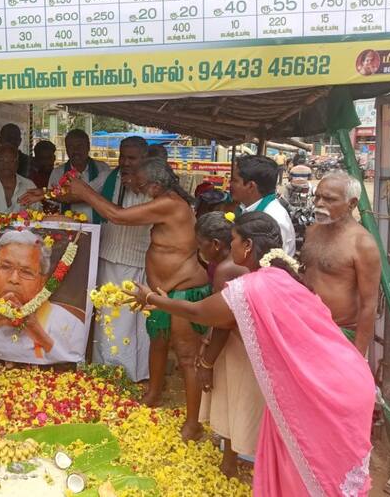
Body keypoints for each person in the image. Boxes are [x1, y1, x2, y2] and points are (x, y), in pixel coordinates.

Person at [129, 212, 375, 496]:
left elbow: (200, 312)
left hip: (328, 391)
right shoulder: (279, 276)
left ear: (246, 246)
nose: (229, 247)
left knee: (313, 477)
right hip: (346, 375)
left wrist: (151, 298)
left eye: (232, 241)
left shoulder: (252, 286)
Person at [66, 158, 209, 440]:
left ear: (155, 185)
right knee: (157, 344)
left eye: (139, 183)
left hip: (181, 290)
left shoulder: (171, 204)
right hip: (162, 292)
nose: (132, 184)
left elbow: (118, 216)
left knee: (187, 357)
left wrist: (84, 192)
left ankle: (193, 423)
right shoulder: (166, 199)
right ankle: (153, 394)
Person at [193, 212, 262, 478]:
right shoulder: (232, 263)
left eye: (201, 245)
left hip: (237, 343)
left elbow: (222, 321)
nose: (198, 250)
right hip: (238, 340)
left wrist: (207, 361)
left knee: (237, 399)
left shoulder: (225, 268)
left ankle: (233, 461)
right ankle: (230, 459)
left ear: (216, 244)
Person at [0, 230, 86, 364]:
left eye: (26, 272)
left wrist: (38, 333)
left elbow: (71, 361)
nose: (14, 279)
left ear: (42, 282)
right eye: (5, 267)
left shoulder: (70, 324)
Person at [301, 172, 380, 355]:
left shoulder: (362, 244)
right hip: (306, 327)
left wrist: (358, 355)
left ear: (351, 204)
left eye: (329, 199)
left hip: (340, 333)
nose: (319, 203)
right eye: (317, 196)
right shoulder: (312, 231)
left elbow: (369, 305)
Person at [93, 136, 151, 382]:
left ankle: (128, 374)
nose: (125, 162)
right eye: (122, 156)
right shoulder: (110, 177)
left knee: (128, 322)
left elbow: (121, 216)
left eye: (132, 158)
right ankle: (103, 369)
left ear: (144, 159)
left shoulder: (151, 184)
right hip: (108, 254)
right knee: (105, 317)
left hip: (134, 258)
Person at [229, 156, 295, 256]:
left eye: (234, 180)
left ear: (250, 186)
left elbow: (273, 264)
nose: (230, 184)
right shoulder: (245, 208)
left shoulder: (274, 219)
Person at [46, 129, 111, 221]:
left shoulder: (103, 169)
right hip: (68, 228)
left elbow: (104, 198)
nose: (76, 151)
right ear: (66, 149)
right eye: (71, 147)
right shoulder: (57, 172)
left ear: (88, 146)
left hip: (99, 228)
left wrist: (44, 193)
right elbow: (52, 204)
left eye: (80, 146)